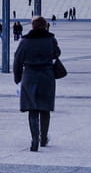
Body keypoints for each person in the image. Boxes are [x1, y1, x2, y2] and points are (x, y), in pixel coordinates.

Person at [12, 16, 61, 151]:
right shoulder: (51, 39)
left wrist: (17, 77)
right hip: (47, 76)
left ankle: (35, 140)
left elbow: (17, 60)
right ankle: (43, 138)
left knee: (32, 109)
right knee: (45, 108)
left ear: (32, 26)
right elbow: (57, 53)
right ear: (45, 25)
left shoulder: (25, 41)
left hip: (30, 76)